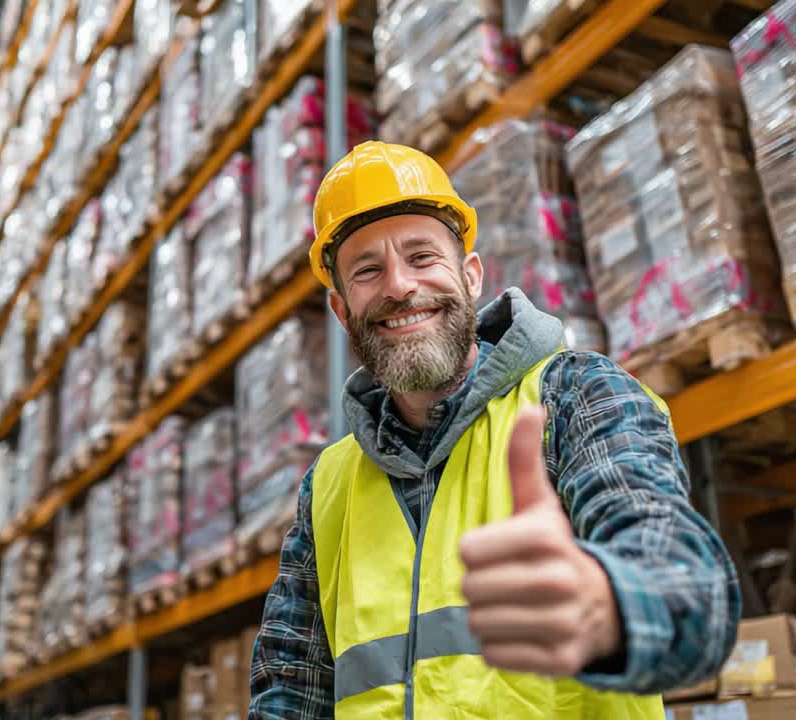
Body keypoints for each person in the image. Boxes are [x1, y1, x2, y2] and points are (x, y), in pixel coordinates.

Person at [247, 141, 740, 719]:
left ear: (471, 276)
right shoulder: (328, 488)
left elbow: (689, 583)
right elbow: (289, 694)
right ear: (340, 309)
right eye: (367, 270)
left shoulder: (574, 396)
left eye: (422, 256)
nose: (399, 286)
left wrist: (610, 602)